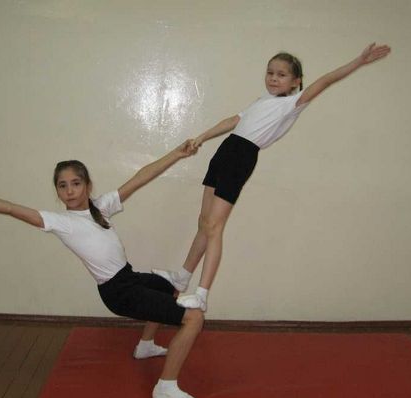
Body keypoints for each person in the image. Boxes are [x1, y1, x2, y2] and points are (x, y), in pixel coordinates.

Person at [0, 141, 205, 398]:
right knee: (193, 317)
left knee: (168, 285)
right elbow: (11, 208)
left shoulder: (101, 207)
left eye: (75, 183)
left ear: (87, 185)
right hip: (118, 292)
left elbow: (141, 177)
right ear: (57, 191)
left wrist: (177, 154)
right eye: (62, 186)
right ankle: (165, 387)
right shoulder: (61, 222)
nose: (70, 190)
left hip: (128, 278)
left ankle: (145, 345)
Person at [153, 43, 391, 311]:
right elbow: (233, 121)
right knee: (204, 222)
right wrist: (202, 137)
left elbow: (325, 80)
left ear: (296, 82)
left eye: (281, 75)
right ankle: (182, 276)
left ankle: (202, 294)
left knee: (215, 227)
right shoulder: (261, 101)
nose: (274, 78)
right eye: (270, 73)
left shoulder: (292, 104)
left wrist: (359, 61)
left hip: (241, 156)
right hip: (225, 151)